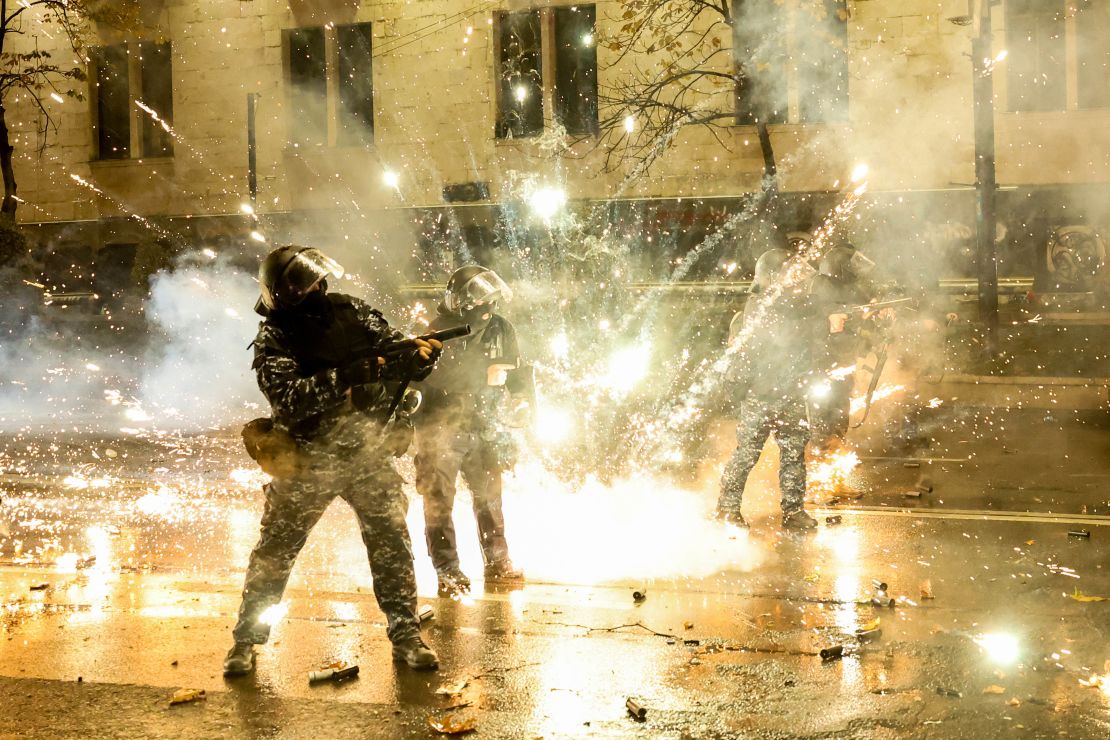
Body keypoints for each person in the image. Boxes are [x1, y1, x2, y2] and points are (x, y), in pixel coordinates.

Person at [224, 245, 442, 676]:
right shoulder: (275, 337)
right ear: (283, 293)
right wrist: (345, 377)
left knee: (391, 545)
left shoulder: (353, 312)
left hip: (366, 452)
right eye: (307, 285)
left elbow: (396, 353)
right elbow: (288, 401)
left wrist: (420, 359)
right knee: (275, 552)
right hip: (305, 459)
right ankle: (245, 641)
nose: (318, 290)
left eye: (319, 281)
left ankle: (405, 634)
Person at [414, 265, 526, 596]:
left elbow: (518, 373)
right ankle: (448, 570)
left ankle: (497, 564)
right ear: (462, 302)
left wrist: (521, 401)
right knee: (439, 501)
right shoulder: (433, 331)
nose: (489, 309)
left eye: (493, 301)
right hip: (440, 427)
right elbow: (413, 381)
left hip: (485, 425)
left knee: (490, 498)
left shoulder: (502, 329)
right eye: (482, 302)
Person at [716, 247, 845, 531]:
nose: (797, 279)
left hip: (791, 393)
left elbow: (814, 310)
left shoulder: (796, 303)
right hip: (762, 395)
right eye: (790, 274)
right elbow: (788, 329)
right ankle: (727, 509)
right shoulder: (763, 306)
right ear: (773, 277)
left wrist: (840, 315)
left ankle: (793, 512)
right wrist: (827, 320)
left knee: (793, 454)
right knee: (747, 453)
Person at [807, 244, 878, 451]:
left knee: (841, 401)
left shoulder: (851, 283)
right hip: (822, 356)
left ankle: (837, 444)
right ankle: (820, 447)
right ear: (840, 268)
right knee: (821, 402)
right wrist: (838, 315)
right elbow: (816, 314)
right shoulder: (819, 285)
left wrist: (874, 306)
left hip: (844, 355)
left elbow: (866, 299)